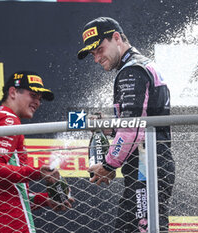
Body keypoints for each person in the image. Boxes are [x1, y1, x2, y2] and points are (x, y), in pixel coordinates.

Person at [77, 17, 175, 232]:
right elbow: (139, 122)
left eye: (100, 50)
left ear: (116, 37)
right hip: (148, 166)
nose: (96, 58)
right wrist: (109, 127)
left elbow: (133, 129)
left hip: (147, 168)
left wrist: (108, 165)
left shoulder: (132, 71)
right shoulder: (142, 64)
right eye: (93, 54)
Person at [0, 71, 74, 233]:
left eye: (40, 99)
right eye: (33, 95)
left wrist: (46, 200)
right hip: (10, 224)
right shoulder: (8, 120)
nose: (37, 102)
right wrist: (37, 172)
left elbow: (12, 195)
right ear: (13, 92)